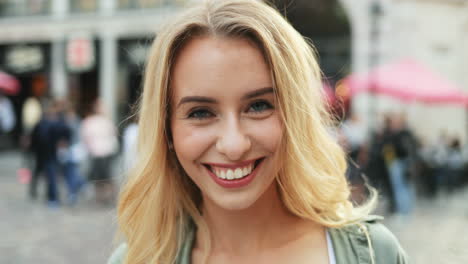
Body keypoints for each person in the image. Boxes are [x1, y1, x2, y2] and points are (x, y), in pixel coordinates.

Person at [109, 1, 408, 263]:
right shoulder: (137, 260)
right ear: (167, 131)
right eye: (201, 112)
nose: (234, 144)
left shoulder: (373, 254)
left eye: (258, 106)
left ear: (295, 114)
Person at [81, 99, 118, 205]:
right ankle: (102, 197)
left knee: (106, 176)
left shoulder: (105, 121)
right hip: (98, 152)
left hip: (105, 152)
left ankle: (106, 196)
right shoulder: (92, 121)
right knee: (99, 176)